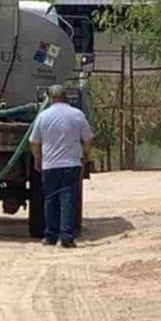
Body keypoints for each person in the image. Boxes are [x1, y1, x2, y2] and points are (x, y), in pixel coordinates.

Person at [29, 84, 93, 248]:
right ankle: (66, 237)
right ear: (66, 97)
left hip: (50, 165)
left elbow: (34, 142)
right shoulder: (77, 115)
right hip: (71, 164)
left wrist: (37, 159)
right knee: (68, 199)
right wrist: (84, 156)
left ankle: (50, 236)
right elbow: (87, 139)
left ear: (50, 98)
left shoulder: (43, 116)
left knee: (50, 200)